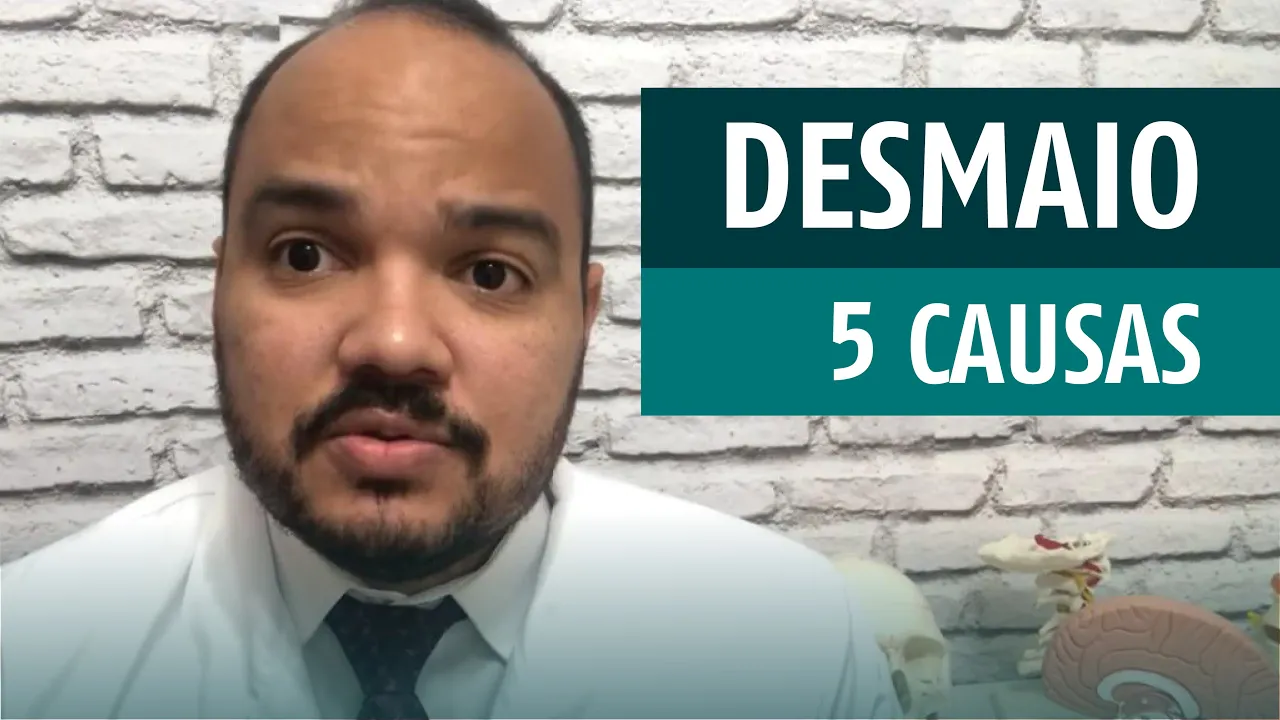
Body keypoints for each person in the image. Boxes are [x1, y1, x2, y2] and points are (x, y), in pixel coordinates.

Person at [0, 1, 904, 718]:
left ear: (584, 317)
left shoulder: (790, 654)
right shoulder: (33, 661)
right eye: (304, 255)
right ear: (218, 287)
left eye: (489, 272)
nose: (394, 346)